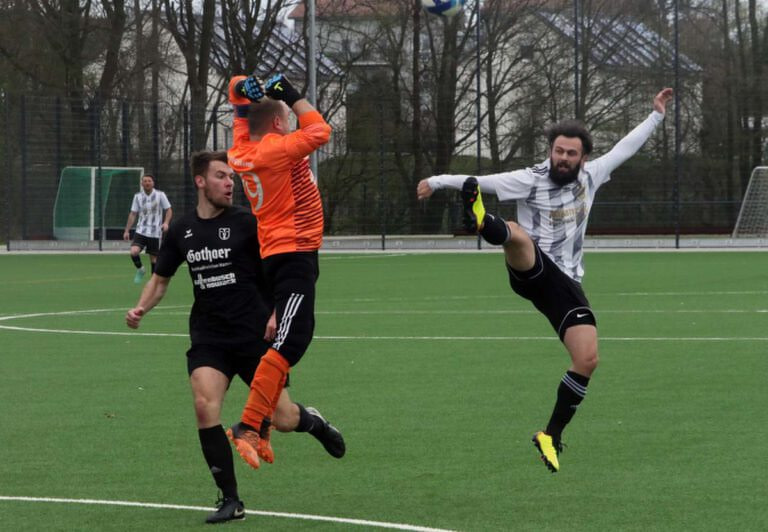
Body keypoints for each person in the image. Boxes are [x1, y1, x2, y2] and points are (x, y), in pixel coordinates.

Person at [417, 88, 674, 473]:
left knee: (587, 359)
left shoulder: (593, 175)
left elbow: (625, 147)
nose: (563, 158)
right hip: (532, 270)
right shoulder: (529, 179)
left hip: (566, 287)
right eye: (558, 151)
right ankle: (482, 221)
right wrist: (436, 181)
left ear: (582, 157)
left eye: (571, 153)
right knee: (519, 234)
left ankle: (550, 435)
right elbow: (481, 179)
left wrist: (656, 116)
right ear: (550, 150)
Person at [126, 151, 345, 524]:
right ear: (200, 181)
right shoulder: (181, 230)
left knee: (282, 417)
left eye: (232, 177)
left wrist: (279, 309)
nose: (230, 183)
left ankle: (314, 423)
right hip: (210, 336)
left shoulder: (249, 222)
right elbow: (161, 279)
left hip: (255, 335)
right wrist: (141, 308)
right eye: (221, 176)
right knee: (203, 405)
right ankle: (230, 500)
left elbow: (282, 271)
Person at [224, 72, 332, 469]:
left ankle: (261, 426)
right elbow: (320, 131)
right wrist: (294, 95)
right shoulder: (277, 149)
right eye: (285, 117)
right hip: (294, 252)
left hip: (281, 253)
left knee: (294, 340)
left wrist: (241, 92)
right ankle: (249, 424)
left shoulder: (240, 152)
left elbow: (237, 104)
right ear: (276, 123)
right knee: (287, 343)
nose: (290, 122)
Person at [123, 174, 172, 283]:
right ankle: (140, 270)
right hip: (141, 230)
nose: (147, 183)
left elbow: (168, 209)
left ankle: (153, 282)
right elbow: (133, 214)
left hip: (155, 232)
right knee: (134, 252)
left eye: (149, 181)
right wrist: (127, 230)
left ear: (153, 183)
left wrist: (166, 223)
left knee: (154, 259)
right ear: (141, 183)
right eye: (145, 181)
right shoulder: (137, 196)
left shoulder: (160, 195)